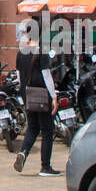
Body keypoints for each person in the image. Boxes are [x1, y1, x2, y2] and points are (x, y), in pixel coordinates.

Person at [13, 24, 61, 177]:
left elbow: (19, 76)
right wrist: (54, 97)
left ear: (27, 34)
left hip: (27, 94)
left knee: (33, 128)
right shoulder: (41, 51)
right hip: (41, 94)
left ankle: (23, 153)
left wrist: (23, 95)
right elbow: (47, 76)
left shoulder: (21, 53)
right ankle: (45, 167)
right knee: (47, 130)